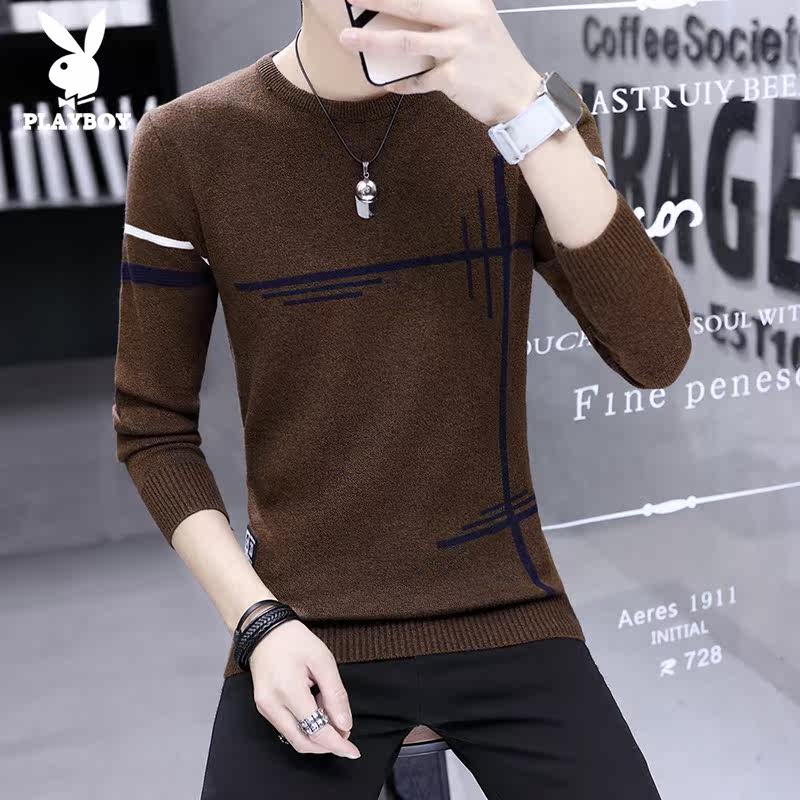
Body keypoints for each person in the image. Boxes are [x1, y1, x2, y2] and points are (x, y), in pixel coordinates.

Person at [112, 1, 691, 797]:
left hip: (509, 609)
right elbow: (152, 427)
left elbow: (657, 354)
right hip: (302, 624)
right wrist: (257, 621)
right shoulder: (189, 142)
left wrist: (524, 110)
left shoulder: (527, 113)